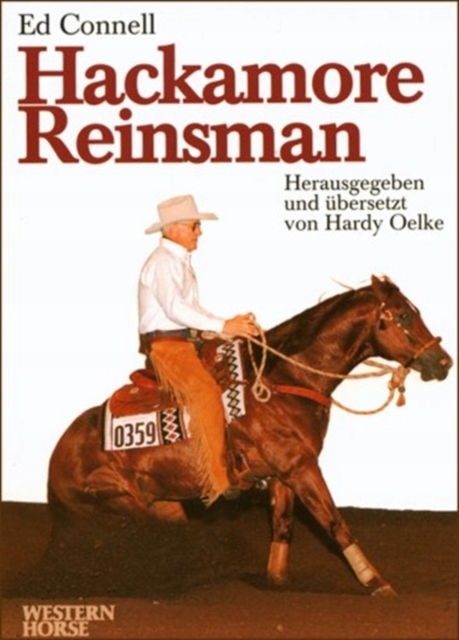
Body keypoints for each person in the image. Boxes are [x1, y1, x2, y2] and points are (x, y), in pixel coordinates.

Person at [138, 194, 259, 505]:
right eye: (194, 226)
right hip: (167, 346)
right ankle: (219, 479)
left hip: (184, 340)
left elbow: (190, 309)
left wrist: (227, 327)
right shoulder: (162, 262)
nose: (199, 232)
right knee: (205, 394)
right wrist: (223, 325)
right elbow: (176, 309)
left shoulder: (177, 262)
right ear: (174, 228)